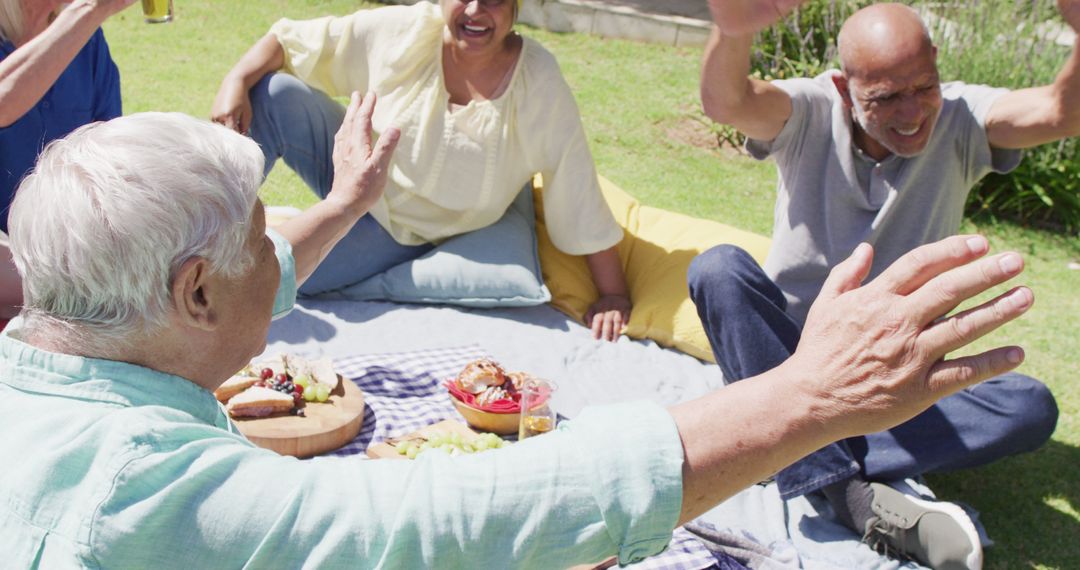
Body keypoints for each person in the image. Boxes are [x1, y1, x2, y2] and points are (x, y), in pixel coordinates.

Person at [0, 108, 1033, 566]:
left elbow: (263, 277)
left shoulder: (54, 368)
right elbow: (436, 520)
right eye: (260, 235)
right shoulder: (133, 495)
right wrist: (807, 397)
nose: (282, 247)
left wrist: (353, 196)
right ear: (190, 295)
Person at [691, 0, 1070, 566]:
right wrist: (731, 30)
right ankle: (847, 493)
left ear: (937, 64)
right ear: (845, 88)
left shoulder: (965, 117)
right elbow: (731, 100)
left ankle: (779, 447)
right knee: (717, 268)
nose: (913, 112)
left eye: (924, 86)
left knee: (1029, 406)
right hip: (786, 362)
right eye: (886, 97)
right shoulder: (812, 109)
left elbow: (1060, 110)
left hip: (891, 376)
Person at [211, 0, 631, 342]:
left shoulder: (539, 81)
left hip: (397, 227)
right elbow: (288, 41)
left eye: (495, 0)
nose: (474, 11)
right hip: (355, 168)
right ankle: (196, 234)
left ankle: (210, 273)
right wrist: (236, 78)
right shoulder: (410, 30)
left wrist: (613, 293)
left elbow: (575, 181)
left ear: (517, 6)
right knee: (273, 90)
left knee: (275, 275)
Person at [0, 0, 135, 321]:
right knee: (86, 295)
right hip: (14, 252)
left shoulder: (85, 39)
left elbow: (108, 153)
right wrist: (89, 10)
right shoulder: (82, 20)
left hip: (61, 245)